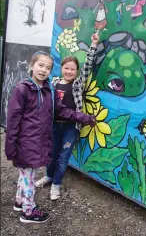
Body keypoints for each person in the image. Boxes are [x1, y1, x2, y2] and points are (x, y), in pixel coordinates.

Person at [5, 51, 96, 224]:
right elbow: (13, 120)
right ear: (32, 66)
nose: (43, 70)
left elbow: (62, 110)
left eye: (48, 68)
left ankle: (19, 202)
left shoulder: (48, 89)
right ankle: (28, 212)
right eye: (40, 65)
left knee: (26, 175)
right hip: (26, 142)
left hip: (37, 141)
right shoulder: (23, 89)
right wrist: (11, 147)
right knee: (29, 177)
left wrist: (85, 117)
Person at [35, 33, 99, 200]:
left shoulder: (77, 84)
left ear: (76, 71)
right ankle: (48, 176)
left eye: (73, 69)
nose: (69, 71)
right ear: (61, 68)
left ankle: (56, 185)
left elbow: (87, 67)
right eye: (66, 68)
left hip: (71, 127)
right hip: (54, 126)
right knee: (51, 154)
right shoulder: (54, 83)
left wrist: (93, 45)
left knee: (63, 158)